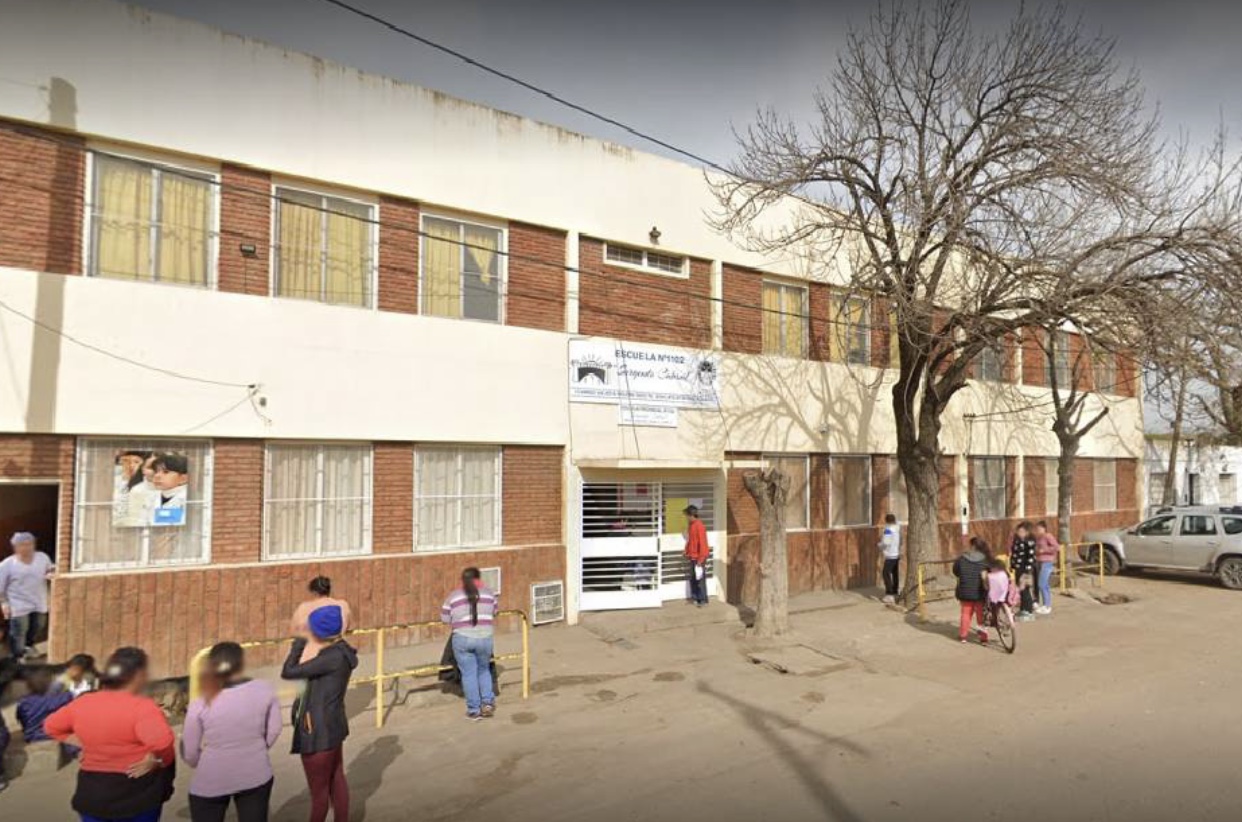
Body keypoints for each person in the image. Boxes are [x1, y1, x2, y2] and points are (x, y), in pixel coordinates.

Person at [45, 647, 177, 822]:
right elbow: (162, 743)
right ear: (138, 675)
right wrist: (158, 759)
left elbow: (51, 726)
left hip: (93, 793)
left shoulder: (83, 702)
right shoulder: (142, 707)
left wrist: (83, 742)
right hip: (136, 793)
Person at [182, 642, 282, 822]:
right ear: (242, 663)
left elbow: (190, 751)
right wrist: (257, 748)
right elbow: (274, 729)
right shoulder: (264, 689)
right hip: (256, 772)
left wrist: (200, 762)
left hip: (211, 778)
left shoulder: (201, 701)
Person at [281, 605, 357, 822]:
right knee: (336, 777)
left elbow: (288, 671)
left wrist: (298, 644)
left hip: (317, 731)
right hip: (333, 725)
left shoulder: (329, 658)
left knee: (319, 794)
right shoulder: (341, 651)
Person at [441, 568, 499, 720]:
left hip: (462, 638)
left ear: (463, 580)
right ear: (479, 578)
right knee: (484, 670)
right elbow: (495, 612)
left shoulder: (454, 596)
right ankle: (487, 704)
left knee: (468, 674)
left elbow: (445, 618)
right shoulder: (489, 594)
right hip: (485, 637)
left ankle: (474, 710)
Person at [0, 531, 55, 660]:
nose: (27, 547)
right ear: (15, 547)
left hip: (39, 601)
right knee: (19, 631)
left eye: (30, 544)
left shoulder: (42, 557)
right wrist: (4, 603)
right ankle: (18, 657)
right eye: (23, 545)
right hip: (18, 604)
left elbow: (50, 568)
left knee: (38, 625)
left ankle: (28, 646)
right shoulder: (7, 565)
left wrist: (51, 572)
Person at [291, 577, 352, 664]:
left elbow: (295, 632)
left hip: (313, 655)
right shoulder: (343, 605)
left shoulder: (304, 608)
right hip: (339, 654)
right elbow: (346, 626)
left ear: (314, 592)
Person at [17, 666, 74, 749]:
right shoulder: (56, 700)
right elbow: (70, 696)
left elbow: (20, 718)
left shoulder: (23, 701)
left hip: (31, 735)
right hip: (48, 735)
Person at [953, 537, 991, 644]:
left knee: (965, 613)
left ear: (973, 546)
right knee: (981, 615)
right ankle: (983, 638)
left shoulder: (961, 558)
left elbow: (955, 571)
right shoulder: (985, 559)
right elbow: (990, 572)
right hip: (980, 592)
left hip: (965, 591)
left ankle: (963, 636)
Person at [149, 453, 190, 526]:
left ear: (183, 479)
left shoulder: (189, 499)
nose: (157, 476)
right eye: (156, 471)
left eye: (166, 472)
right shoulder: (152, 496)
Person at [1008, 522, 1038, 621]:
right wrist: (1012, 565)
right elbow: (1014, 554)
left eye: (1021, 531)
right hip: (1018, 569)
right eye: (1018, 531)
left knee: (1025, 589)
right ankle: (1023, 608)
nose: (1019, 533)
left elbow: (1031, 557)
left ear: (1027, 532)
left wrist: (1028, 570)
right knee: (1020, 589)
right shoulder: (1017, 542)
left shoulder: (1030, 543)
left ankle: (1028, 609)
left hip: (1026, 570)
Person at [683, 505, 710, 607]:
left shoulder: (699, 526)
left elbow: (703, 543)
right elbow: (690, 541)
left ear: (691, 515)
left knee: (700, 579)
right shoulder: (691, 526)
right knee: (693, 578)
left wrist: (701, 559)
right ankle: (695, 598)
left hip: (699, 557)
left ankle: (703, 599)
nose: (686, 518)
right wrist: (686, 551)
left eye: (687, 515)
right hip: (692, 556)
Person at [1033, 521, 1060, 615]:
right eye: (1037, 529)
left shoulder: (1048, 536)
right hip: (1039, 561)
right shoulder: (1038, 538)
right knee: (1045, 585)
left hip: (1047, 562)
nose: (1038, 530)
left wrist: (1044, 550)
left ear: (1044, 529)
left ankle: (1047, 606)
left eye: (1039, 529)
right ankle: (1046, 604)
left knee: (1042, 584)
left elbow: (1057, 547)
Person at [878, 513, 902, 603]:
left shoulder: (888, 530)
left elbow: (886, 543)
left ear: (886, 521)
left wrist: (879, 545)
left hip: (890, 555)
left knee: (885, 574)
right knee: (895, 573)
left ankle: (889, 594)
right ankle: (895, 591)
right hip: (896, 554)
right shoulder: (897, 529)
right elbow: (900, 541)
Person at [984, 558, 1012, 629]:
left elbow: (986, 586)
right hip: (1006, 594)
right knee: (1005, 605)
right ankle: (1009, 618)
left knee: (991, 605)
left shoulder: (990, 575)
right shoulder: (1005, 573)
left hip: (995, 596)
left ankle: (993, 620)